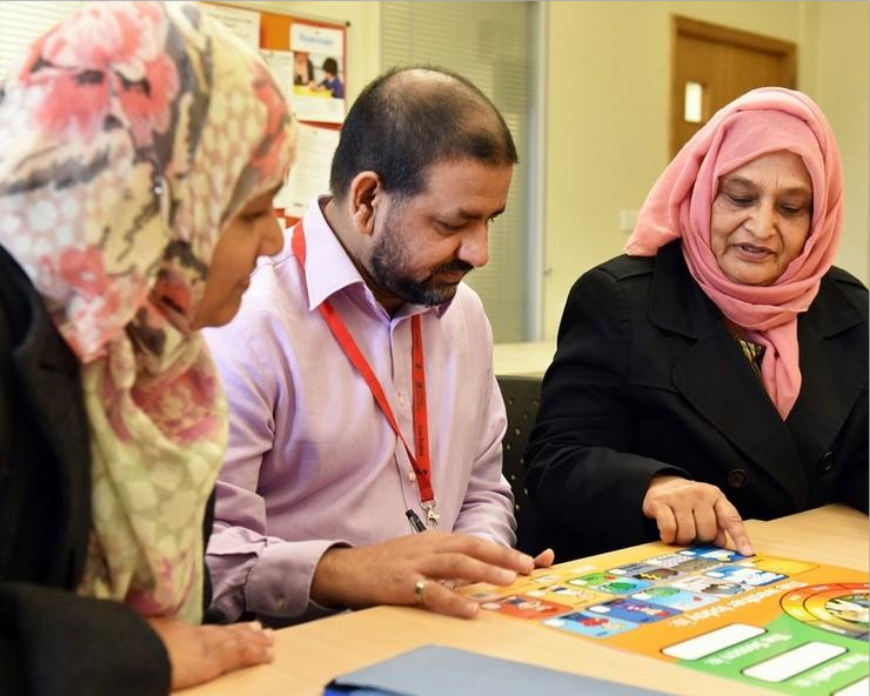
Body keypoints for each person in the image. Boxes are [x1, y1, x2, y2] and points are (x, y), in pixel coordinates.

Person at [0, 2, 297, 693]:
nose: (276, 242)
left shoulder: (159, 365)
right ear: (142, 199)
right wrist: (132, 652)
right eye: (251, 212)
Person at [204, 65, 553, 627]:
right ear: (367, 199)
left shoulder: (462, 313)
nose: (479, 252)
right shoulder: (245, 318)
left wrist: (475, 566)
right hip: (299, 640)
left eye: (491, 221)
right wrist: (350, 572)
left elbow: (484, 490)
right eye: (455, 223)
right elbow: (205, 553)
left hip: (444, 629)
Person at [525, 87, 869, 562]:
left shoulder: (847, 308)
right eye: (740, 197)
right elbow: (557, 463)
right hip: (656, 576)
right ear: (703, 190)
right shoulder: (621, 298)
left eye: (791, 208)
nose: (762, 226)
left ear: (819, 217)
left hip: (805, 568)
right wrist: (654, 485)